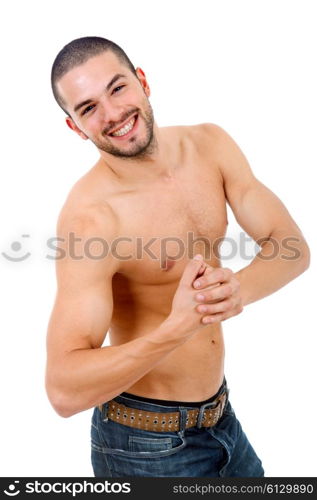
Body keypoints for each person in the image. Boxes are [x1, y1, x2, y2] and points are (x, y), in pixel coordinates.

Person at [45, 36, 310, 478]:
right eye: (88, 108)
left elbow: (291, 246)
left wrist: (238, 288)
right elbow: (63, 390)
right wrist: (175, 329)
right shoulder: (92, 220)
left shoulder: (210, 145)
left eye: (117, 88)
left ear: (142, 81)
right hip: (143, 446)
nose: (112, 114)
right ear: (75, 127)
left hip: (222, 420)